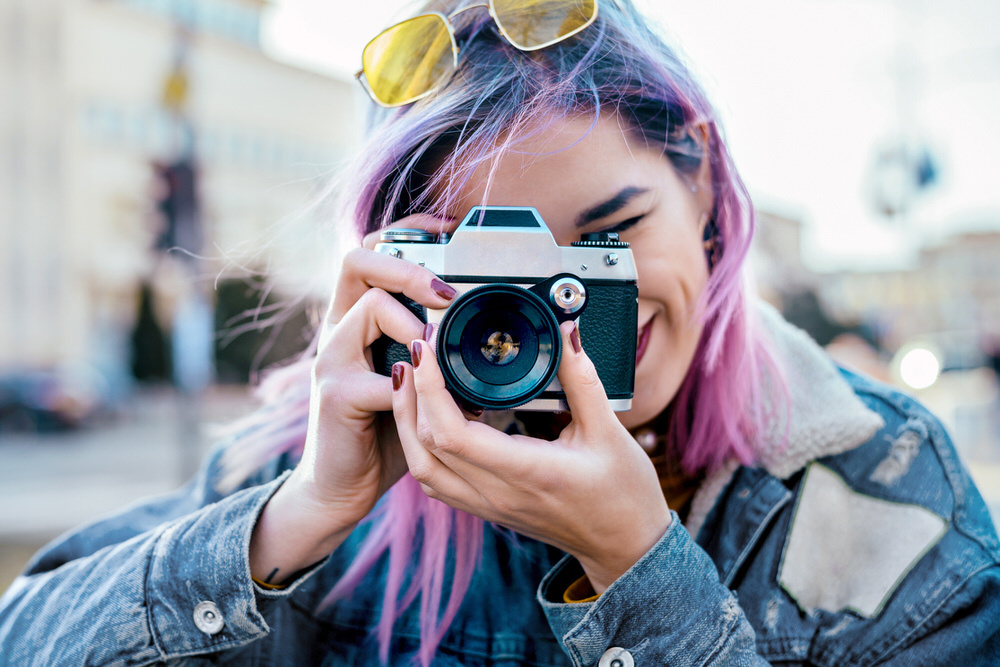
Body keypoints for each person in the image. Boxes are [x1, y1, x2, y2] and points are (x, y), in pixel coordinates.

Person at [2, 0, 998, 664]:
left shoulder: (882, 501)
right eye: (485, 273)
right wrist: (300, 512)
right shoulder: (314, 462)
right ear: (393, 263)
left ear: (699, 181)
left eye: (605, 241)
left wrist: (640, 569)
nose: (548, 310)